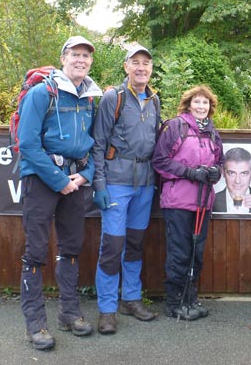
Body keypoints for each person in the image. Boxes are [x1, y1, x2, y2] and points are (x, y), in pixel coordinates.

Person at [17, 35, 103, 350]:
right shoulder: (43, 93)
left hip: (75, 181)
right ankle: (35, 324)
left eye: (86, 56)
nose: (81, 60)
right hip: (41, 179)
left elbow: (93, 144)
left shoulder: (89, 98)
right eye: (75, 54)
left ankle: (69, 313)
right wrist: (59, 179)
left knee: (70, 247)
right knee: (36, 251)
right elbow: (27, 143)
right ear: (64, 57)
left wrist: (85, 176)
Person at [92, 44, 161, 335]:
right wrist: (99, 184)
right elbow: (97, 143)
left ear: (151, 69)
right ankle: (107, 309)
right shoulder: (113, 97)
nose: (141, 67)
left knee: (134, 244)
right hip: (117, 181)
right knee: (113, 247)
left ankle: (130, 299)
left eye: (146, 63)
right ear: (126, 67)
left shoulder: (155, 100)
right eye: (136, 62)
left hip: (145, 182)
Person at [152, 85, 224, 321]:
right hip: (178, 201)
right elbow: (160, 161)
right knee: (179, 253)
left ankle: (190, 298)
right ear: (188, 104)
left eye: (205, 103)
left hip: (203, 202)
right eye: (197, 102)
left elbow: (219, 162)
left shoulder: (212, 132)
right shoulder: (176, 127)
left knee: (196, 253)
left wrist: (215, 173)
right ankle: (174, 302)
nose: (201, 107)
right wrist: (190, 173)